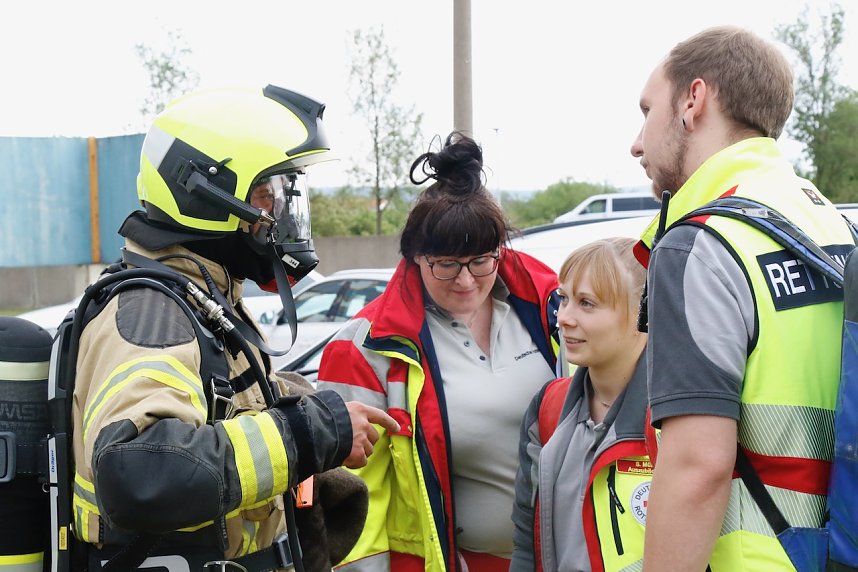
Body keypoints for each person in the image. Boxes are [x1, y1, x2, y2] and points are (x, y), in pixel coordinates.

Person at [70, 85, 399, 571]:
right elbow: (141, 473)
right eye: (268, 193)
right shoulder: (152, 314)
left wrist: (299, 408)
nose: (279, 213)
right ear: (205, 196)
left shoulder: (203, 299)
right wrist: (308, 432)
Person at [630, 26, 855, 570]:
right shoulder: (832, 224)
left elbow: (697, 468)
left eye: (647, 110)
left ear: (693, 100)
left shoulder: (701, 244)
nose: (636, 142)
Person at [316, 132, 562, 571]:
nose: (465, 280)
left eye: (481, 261)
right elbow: (355, 501)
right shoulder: (364, 348)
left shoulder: (553, 308)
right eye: (446, 264)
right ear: (414, 257)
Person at [511, 237, 649, 572]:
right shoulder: (548, 406)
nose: (564, 318)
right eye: (563, 298)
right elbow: (526, 546)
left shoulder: (680, 417)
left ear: (643, 312)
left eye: (587, 303)